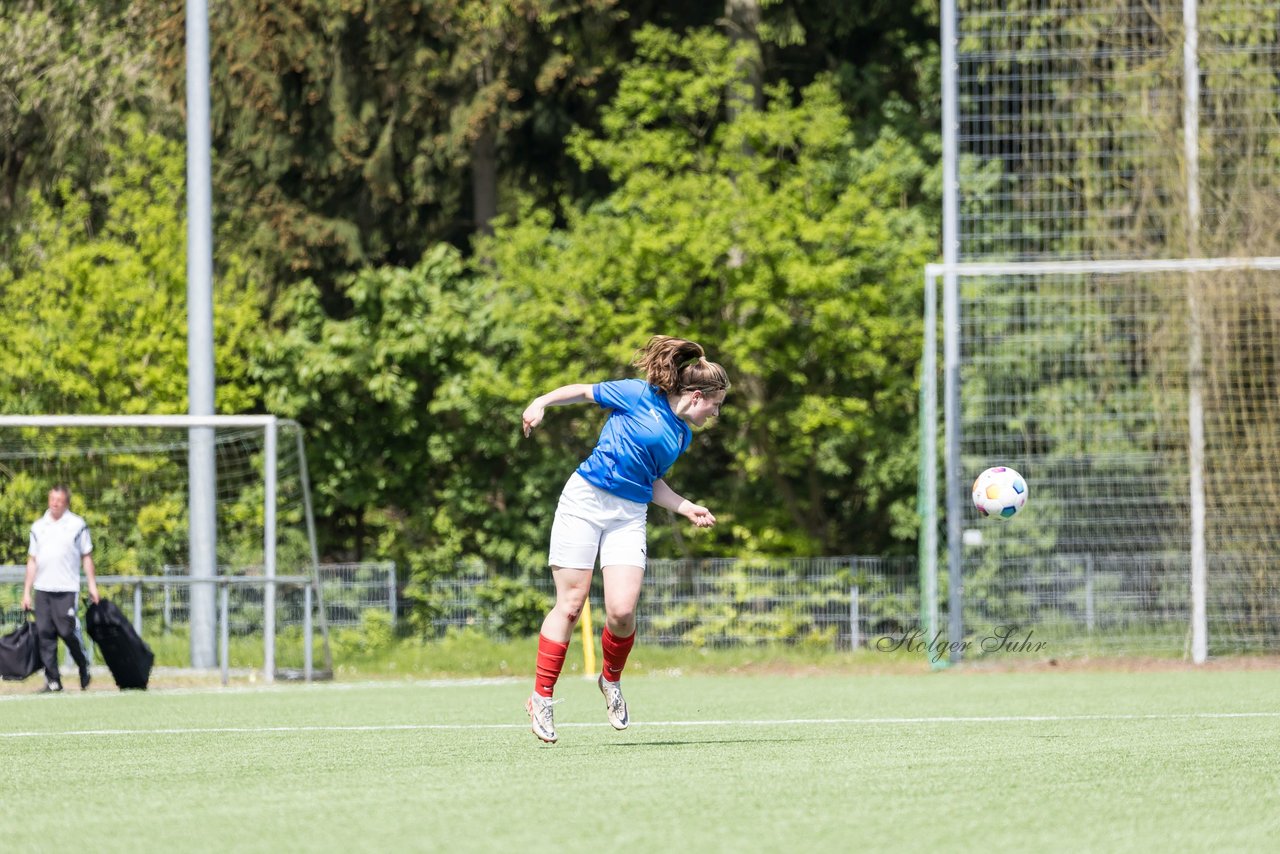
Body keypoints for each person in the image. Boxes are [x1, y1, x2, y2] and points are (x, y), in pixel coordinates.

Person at [520, 335, 729, 743]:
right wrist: (541, 402)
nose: (716, 414)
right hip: (584, 499)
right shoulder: (637, 395)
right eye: (716, 405)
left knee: (621, 611)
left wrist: (685, 506)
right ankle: (541, 697)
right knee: (571, 603)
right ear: (698, 395)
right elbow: (581, 391)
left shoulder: (681, 436)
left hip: (628, 515)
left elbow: (649, 481)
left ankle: (610, 680)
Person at [22, 485, 100, 692]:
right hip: (43, 588)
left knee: (66, 630)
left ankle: (83, 665)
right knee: (45, 632)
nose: (55, 503)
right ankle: (53, 680)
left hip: (67, 588)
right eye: (52, 499)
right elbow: (32, 560)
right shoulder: (39, 526)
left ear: (66, 502)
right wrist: (26, 592)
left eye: (59, 500)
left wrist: (92, 585)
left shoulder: (77, 524)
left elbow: (87, 556)